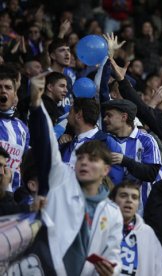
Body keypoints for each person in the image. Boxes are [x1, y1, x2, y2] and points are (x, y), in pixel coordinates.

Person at [28, 73, 123, 275]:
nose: (84, 162)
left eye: (92, 159)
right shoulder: (61, 179)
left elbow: (113, 256)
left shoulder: (112, 212)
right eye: (80, 158)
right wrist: (36, 105)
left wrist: (111, 270)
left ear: (106, 169)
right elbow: (45, 143)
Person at [102, 99, 162, 208]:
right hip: (111, 206)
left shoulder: (146, 140)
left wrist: (125, 161)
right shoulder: (105, 141)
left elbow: (151, 174)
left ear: (124, 117)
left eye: (109, 115)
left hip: (143, 208)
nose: (104, 119)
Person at [110, 180, 162, 276]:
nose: (129, 200)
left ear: (138, 204)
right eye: (123, 196)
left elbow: (161, 270)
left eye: (134, 197)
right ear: (113, 200)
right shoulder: (103, 227)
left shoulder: (147, 233)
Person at [60, 97, 124, 185]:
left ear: (78, 115)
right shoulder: (66, 143)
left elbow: (114, 181)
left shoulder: (107, 142)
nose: (67, 116)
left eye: (70, 112)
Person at [0, 66, 30, 191]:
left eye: (8, 87)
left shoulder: (22, 127)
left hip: (14, 197)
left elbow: (25, 163)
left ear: (14, 94)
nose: (3, 91)